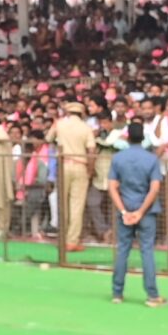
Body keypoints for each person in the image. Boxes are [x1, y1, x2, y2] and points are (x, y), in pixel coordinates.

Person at [108, 123, 166, 307]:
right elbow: (155, 188)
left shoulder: (118, 158)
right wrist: (141, 211)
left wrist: (124, 211)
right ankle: (152, 295)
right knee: (147, 251)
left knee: (122, 250)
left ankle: (117, 293)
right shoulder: (151, 159)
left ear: (127, 137)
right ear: (143, 138)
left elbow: (112, 187)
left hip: (125, 206)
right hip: (146, 211)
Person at [53, 101, 97, 252]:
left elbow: (47, 138)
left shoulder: (59, 124)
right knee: (76, 206)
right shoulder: (86, 128)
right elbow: (91, 151)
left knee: (62, 203)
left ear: (67, 112)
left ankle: (61, 239)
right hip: (80, 164)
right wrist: (90, 170)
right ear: (82, 113)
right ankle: (72, 241)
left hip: (63, 163)